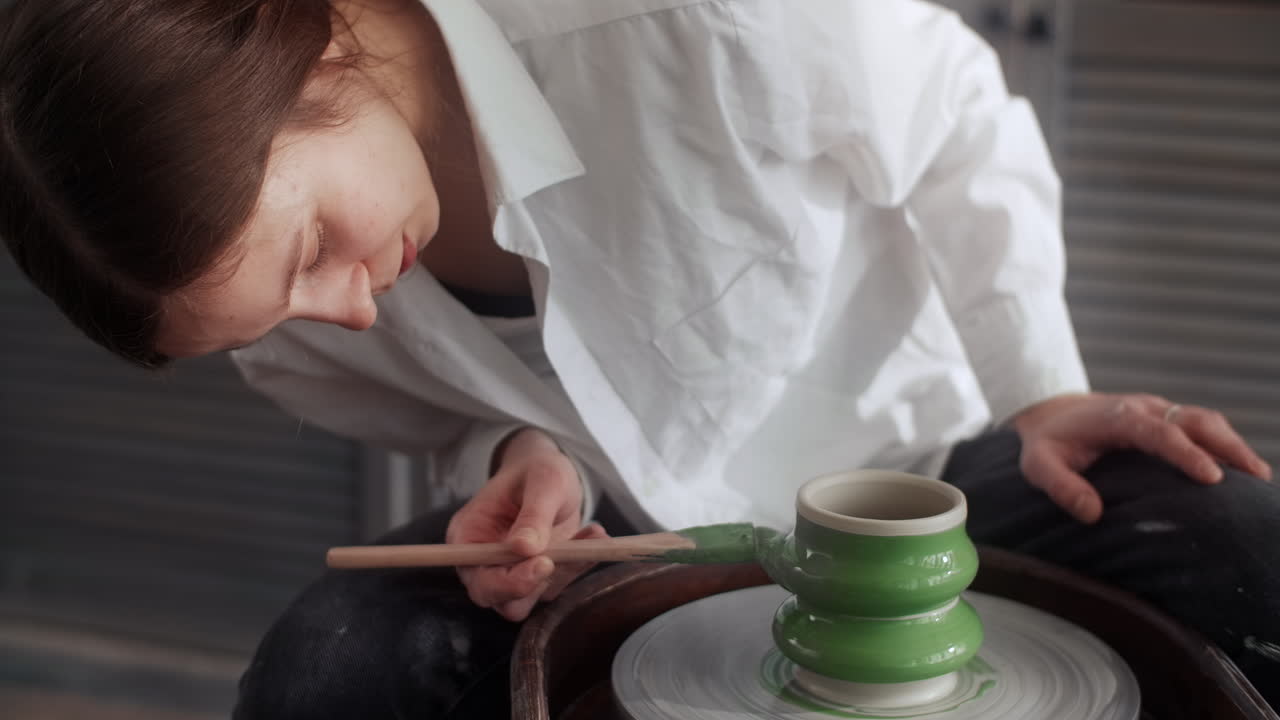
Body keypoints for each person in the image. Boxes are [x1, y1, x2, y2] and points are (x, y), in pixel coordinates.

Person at [2, 0, 1277, 717]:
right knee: (326, 673)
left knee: (1245, 551)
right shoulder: (287, 327)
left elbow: (951, 107)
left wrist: (1043, 390)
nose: (338, 316)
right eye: (267, 321)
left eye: (311, 251)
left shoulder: (691, 21)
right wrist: (516, 456)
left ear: (319, 46)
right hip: (613, 530)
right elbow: (451, 406)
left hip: (912, 466)